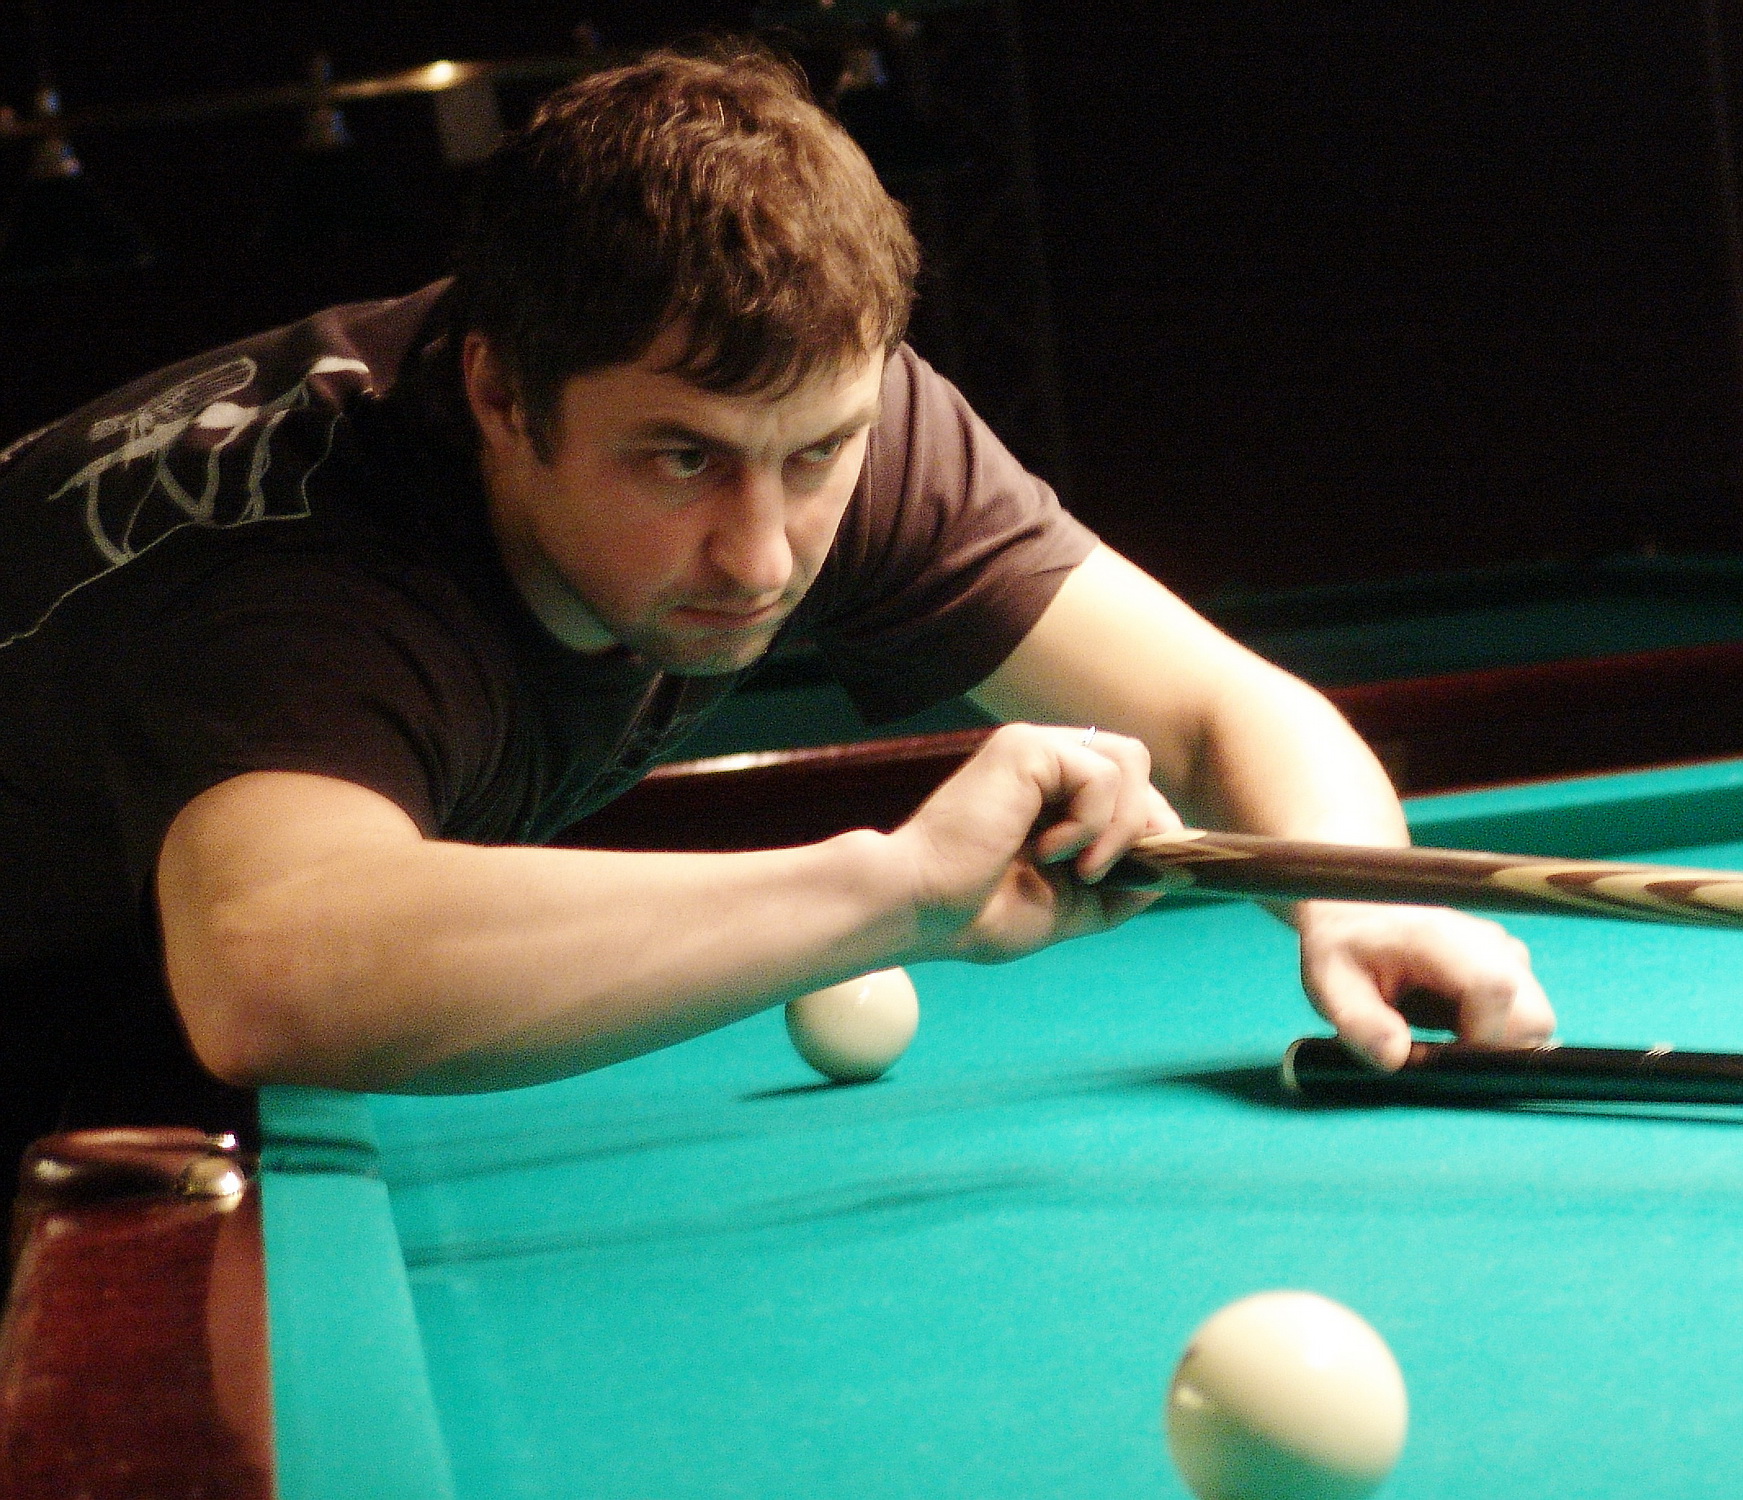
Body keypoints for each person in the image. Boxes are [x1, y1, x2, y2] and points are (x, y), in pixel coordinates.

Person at [0, 46, 1552, 1196]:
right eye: (679, 461)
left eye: (818, 456)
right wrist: (894, 891)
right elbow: (273, 966)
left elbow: (1217, 708)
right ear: (500, 396)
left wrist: (1352, 891)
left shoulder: (812, 404)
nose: (762, 553)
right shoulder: (315, 564)